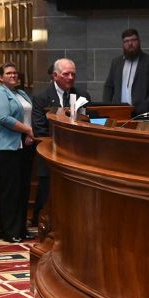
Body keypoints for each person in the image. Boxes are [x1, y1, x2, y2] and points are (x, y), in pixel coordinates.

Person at [30, 58, 88, 227]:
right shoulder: (42, 98)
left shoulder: (82, 96)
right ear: (55, 75)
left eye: (73, 74)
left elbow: (87, 124)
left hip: (76, 156)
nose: (70, 77)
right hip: (51, 154)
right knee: (48, 195)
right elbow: (39, 129)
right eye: (66, 74)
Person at [0, 62, 34, 242]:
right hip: (7, 148)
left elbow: (29, 116)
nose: (13, 76)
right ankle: (10, 231)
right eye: (8, 73)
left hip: (24, 146)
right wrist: (27, 130)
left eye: (15, 73)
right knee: (11, 191)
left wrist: (29, 133)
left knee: (24, 189)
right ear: (0, 77)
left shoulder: (21, 93)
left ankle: (21, 228)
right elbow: (4, 118)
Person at [102, 29, 149, 114]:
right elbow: (108, 86)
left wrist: (147, 103)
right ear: (123, 44)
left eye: (133, 40)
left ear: (139, 41)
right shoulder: (116, 62)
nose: (130, 44)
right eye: (126, 41)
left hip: (142, 112)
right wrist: (107, 107)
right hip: (119, 111)